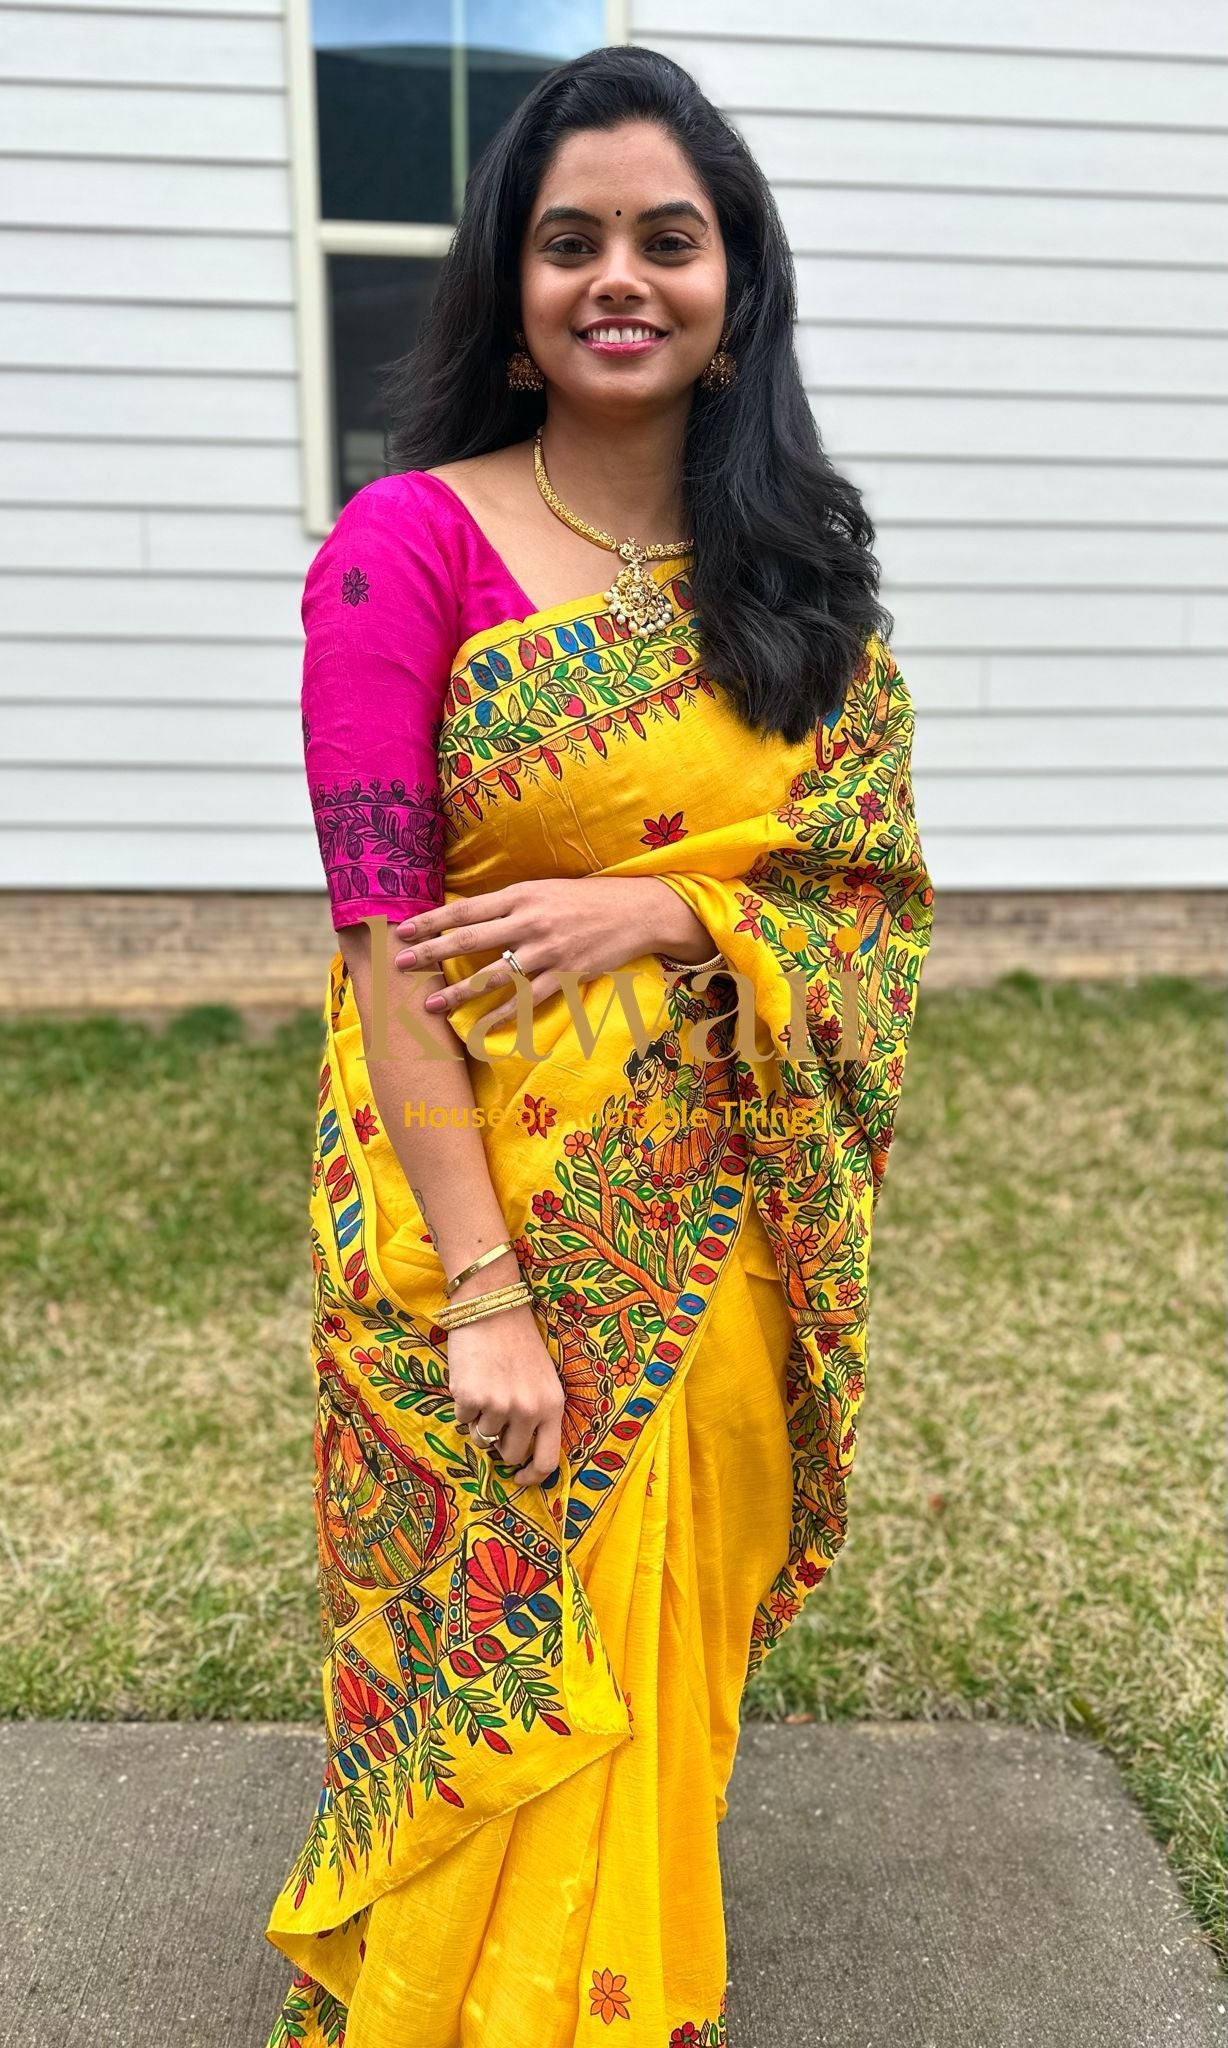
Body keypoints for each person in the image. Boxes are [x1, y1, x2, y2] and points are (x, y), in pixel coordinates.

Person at [262, 42, 934, 2048]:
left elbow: (862, 897)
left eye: (666, 236)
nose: (616, 275)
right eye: (570, 242)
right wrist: (483, 1296)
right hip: (465, 1229)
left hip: (710, 1234)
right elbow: (386, 945)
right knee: (485, 1661)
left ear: (735, 289)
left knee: (661, 1651)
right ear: (512, 287)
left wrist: (666, 909)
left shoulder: (797, 573)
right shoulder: (404, 548)